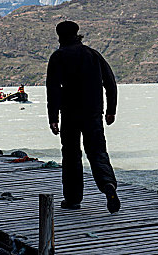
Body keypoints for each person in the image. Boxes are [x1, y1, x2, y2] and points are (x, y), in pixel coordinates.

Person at [46, 20, 120, 213]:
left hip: (69, 114)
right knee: (97, 152)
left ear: (60, 37)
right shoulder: (93, 54)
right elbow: (110, 83)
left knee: (71, 156)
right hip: (94, 113)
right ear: (78, 35)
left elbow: (53, 89)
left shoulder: (58, 57)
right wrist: (111, 109)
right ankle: (108, 185)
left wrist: (53, 117)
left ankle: (73, 199)